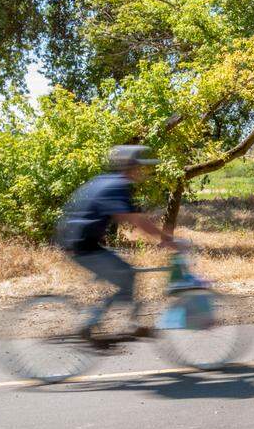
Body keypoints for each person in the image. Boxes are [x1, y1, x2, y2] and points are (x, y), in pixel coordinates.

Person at [55, 145, 179, 340]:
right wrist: (167, 240)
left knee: (125, 275)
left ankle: (131, 324)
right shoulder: (118, 186)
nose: (142, 171)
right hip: (82, 245)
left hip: (77, 240)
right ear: (130, 167)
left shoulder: (105, 181)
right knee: (128, 276)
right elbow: (135, 220)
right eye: (140, 167)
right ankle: (94, 323)